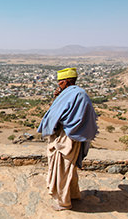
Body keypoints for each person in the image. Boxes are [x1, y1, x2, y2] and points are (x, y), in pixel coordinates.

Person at [37, 68, 98, 211]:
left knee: (62, 169)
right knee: (69, 168)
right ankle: (74, 194)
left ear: (67, 82)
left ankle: (63, 202)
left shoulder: (78, 95)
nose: (59, 85)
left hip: (69, 138)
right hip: (67, 136)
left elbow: (71, 118)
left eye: (60, 82)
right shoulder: (73, 94)